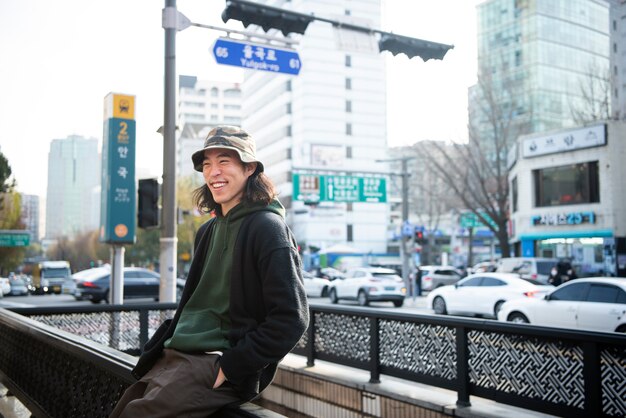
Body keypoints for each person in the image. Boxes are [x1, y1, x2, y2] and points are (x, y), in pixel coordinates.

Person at [110, 126, 309, 418]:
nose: (214, 172)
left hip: (216, 362)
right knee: (121, 409)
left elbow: (292, 318)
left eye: (224, 162)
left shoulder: (268, 229)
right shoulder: (208, 231)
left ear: (249, 168)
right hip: (176, 356)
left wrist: (231, 366)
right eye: (207, 165)